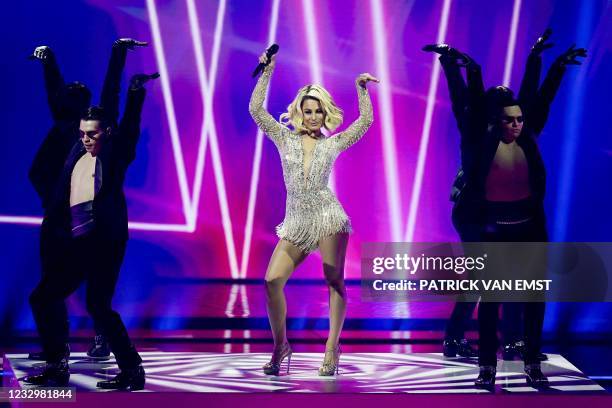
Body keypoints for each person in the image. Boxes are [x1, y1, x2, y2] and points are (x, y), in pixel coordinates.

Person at [425, 29, 586, 388]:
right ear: (492, 113)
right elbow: (461, 101)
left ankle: (514, 343)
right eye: (503, 107)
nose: (512, 114)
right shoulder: (478, 136)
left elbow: (536, 99)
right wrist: (457, 66)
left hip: (517, 220)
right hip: (477, 215)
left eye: (515, 112)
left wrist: (541, 61)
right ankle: (469, 343)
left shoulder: (521, 133)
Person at [23, 60, 157, 390]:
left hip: (103, 243)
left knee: (98, 305)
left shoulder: (116, 153)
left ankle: (131, 370)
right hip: (74, 240)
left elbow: (128, 123)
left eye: (92, 133)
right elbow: (59, 107)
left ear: (107, 132)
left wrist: (135, 92)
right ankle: (57, 365)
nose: (85, 138)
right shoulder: (75, 150)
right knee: (44, 298)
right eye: (82, 133)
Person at [249, 49, 378, 376]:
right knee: (271, 280)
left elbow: (365, 122)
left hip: (327, 217)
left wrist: (361, 90)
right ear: (299, 113)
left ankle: (332, 347)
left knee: (334, 280)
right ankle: (281, 345)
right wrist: (268, 71)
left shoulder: (331, 144)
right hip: (295, 220)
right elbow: (255, 110)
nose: (313, 117)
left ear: (325, 115)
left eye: (318, 112)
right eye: (307, 111)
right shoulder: (283, 138)